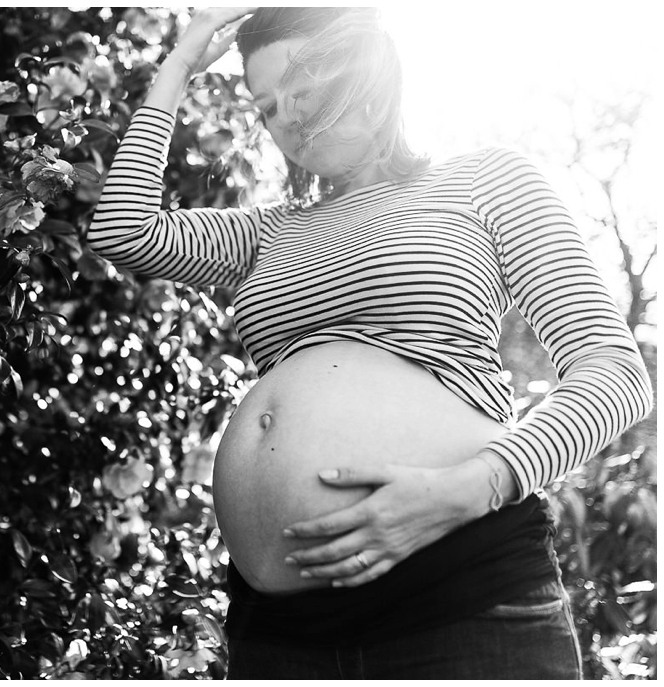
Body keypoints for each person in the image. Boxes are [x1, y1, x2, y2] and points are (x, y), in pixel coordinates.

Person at [87, 7, 653, 679]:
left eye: (301, 87)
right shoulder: (265, 233)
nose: (285, 117)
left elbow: (615, 373)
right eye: (266, 106)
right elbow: (122, 229)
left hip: (458, 593)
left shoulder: (484, 182)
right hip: (279, 631)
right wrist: (178, 65)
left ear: (364, 62)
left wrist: (475, 486)